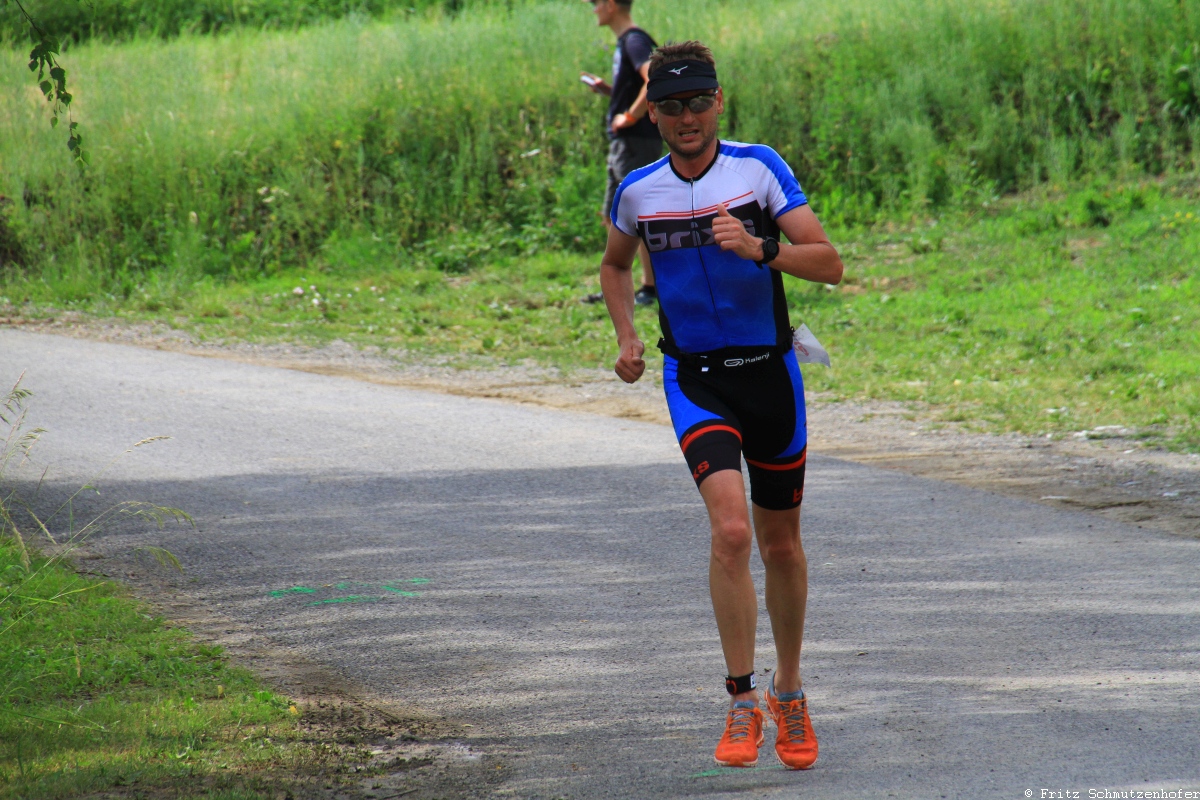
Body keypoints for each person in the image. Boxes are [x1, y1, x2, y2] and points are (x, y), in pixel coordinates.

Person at [599, 41, 844, 769]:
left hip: (770, 377)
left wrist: (762, 249)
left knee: (781, 545)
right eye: (671, 106)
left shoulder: (757, 168)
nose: (687, 118)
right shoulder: (638, 190)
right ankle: (741, 700)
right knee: (732, 532)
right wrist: (626, 336)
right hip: (696, 380)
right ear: (654, 114)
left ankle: (788, 691)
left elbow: (829, 263)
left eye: (699, 102)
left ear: (719, 102)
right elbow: (614, 266)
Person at [579, 0, 661, 306]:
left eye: (596, 3)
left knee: (637, 215)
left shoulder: (634, 40)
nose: (594, 9)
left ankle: (650, 288)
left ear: (611, 5)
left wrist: (630, 116)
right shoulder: (626, 42)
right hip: (624, 144)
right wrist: (609, 91)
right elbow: (635, 87)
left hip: (636, 142)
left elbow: (653, 79)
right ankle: (618, 284)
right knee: (614, 217)